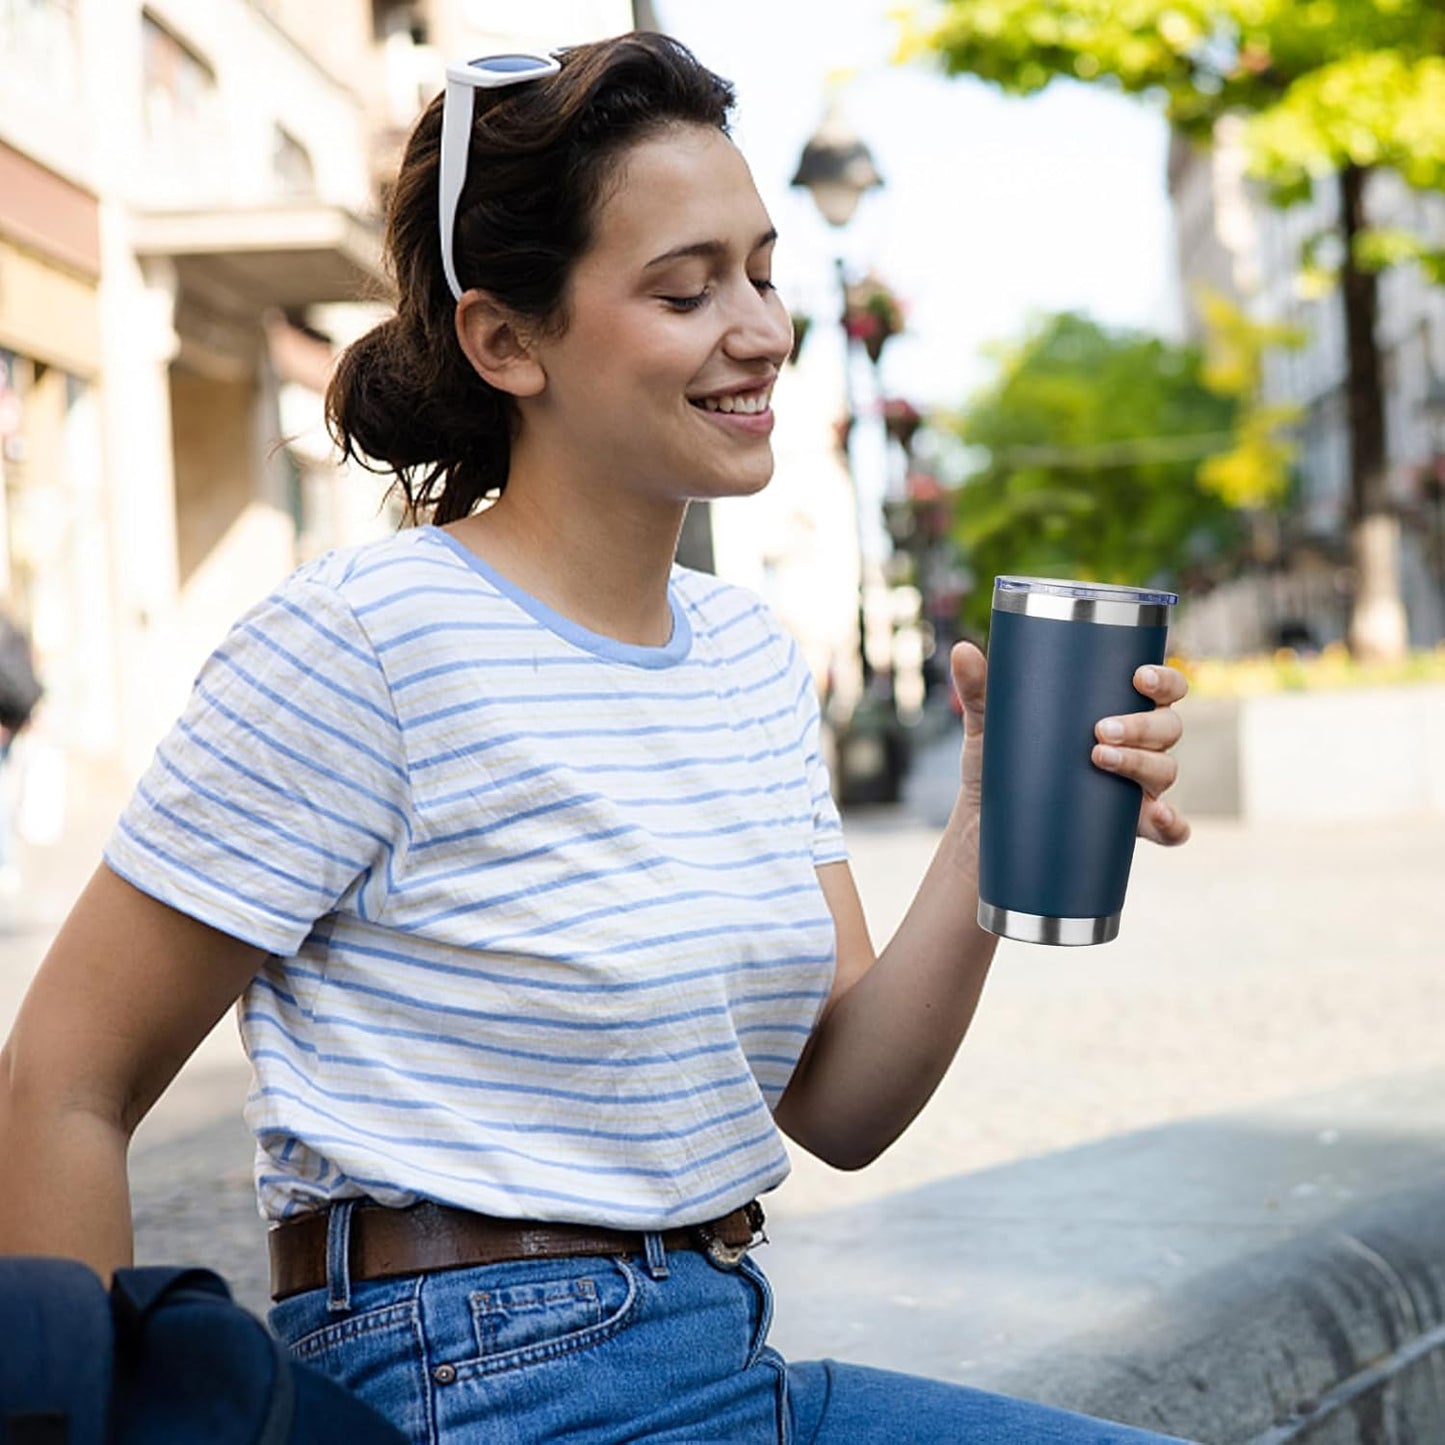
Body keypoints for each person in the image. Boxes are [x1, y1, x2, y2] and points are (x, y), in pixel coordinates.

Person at [0, 34, 1195, 1443]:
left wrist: (991, 822)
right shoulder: (367, 639)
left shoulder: (745, 658)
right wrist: (68, 1413)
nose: (758, 329)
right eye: (686, 289)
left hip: (725, 1349)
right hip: (468, 1382)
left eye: (761, 270)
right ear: (507, 340)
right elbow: (62, 1078)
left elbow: (843, 1100)